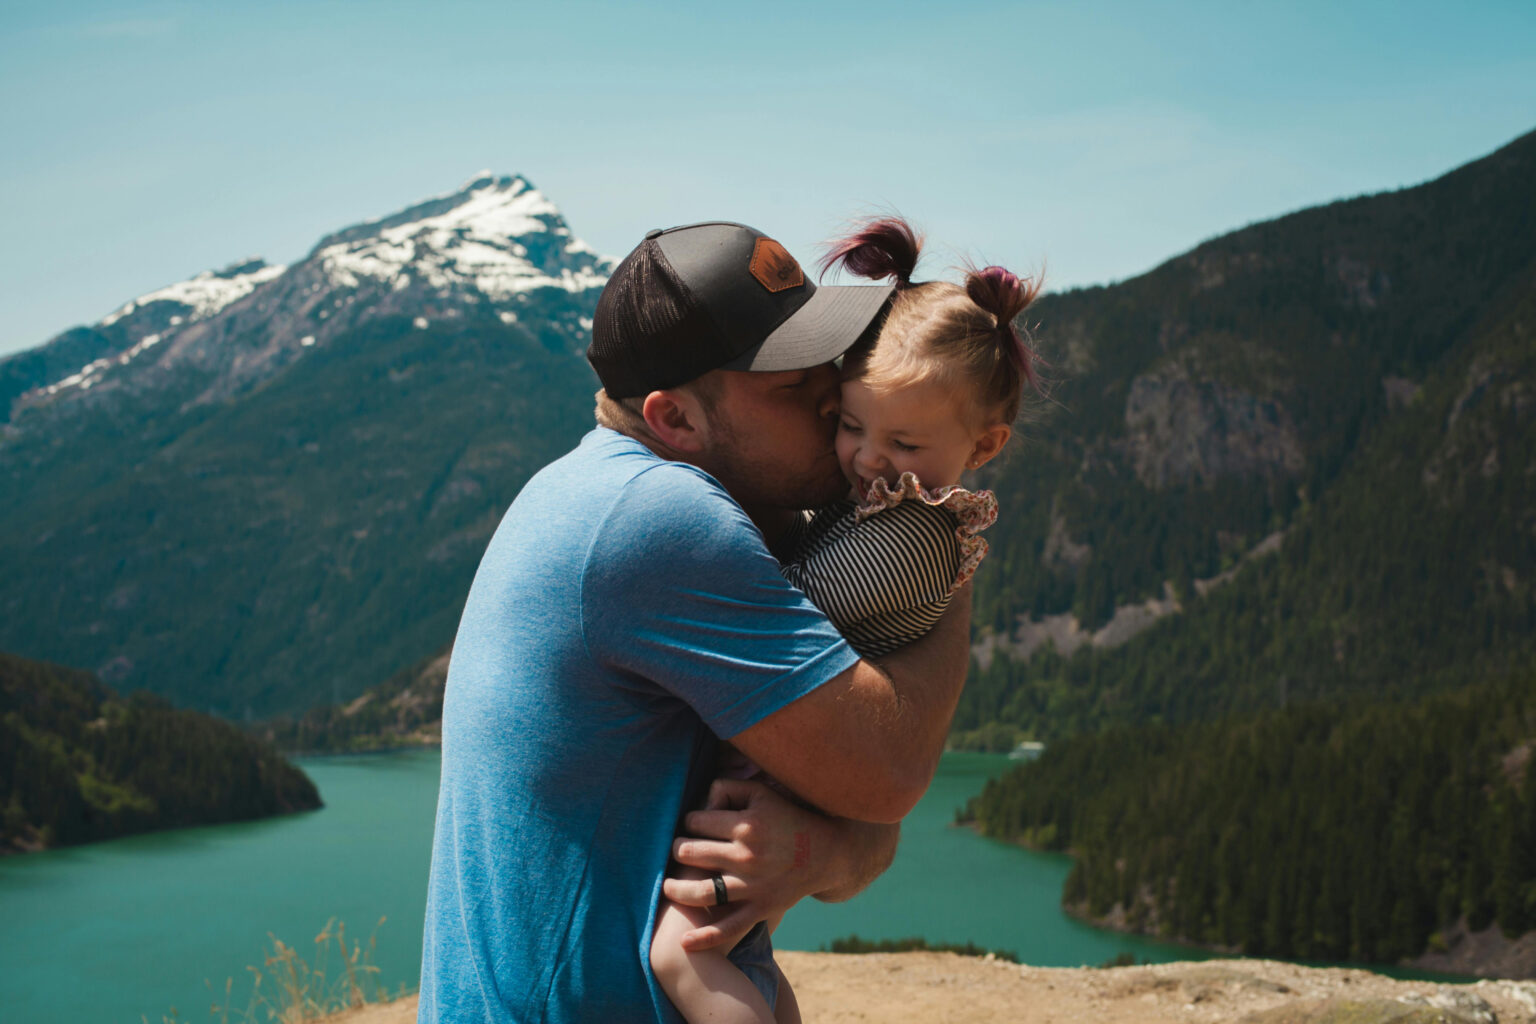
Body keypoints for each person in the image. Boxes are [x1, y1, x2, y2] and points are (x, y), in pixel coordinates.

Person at [417, 221, 976, 1023]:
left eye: (826, 358)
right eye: (789, 380)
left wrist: (819, 849)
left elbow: (859, 812)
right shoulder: (660, 520)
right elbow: (886, 773)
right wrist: (944, 530)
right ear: (674, 419)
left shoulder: (592, 487)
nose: (833, 394)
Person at [647, 216, 1042, 1024]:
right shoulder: (893, 502)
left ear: (986, 443)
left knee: (683, 952)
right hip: (802, 759)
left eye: (899, 441)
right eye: (849, 424)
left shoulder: (911, 534)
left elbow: (790, 602)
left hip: (792, 768)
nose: (864, 458)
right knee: (740, 949)